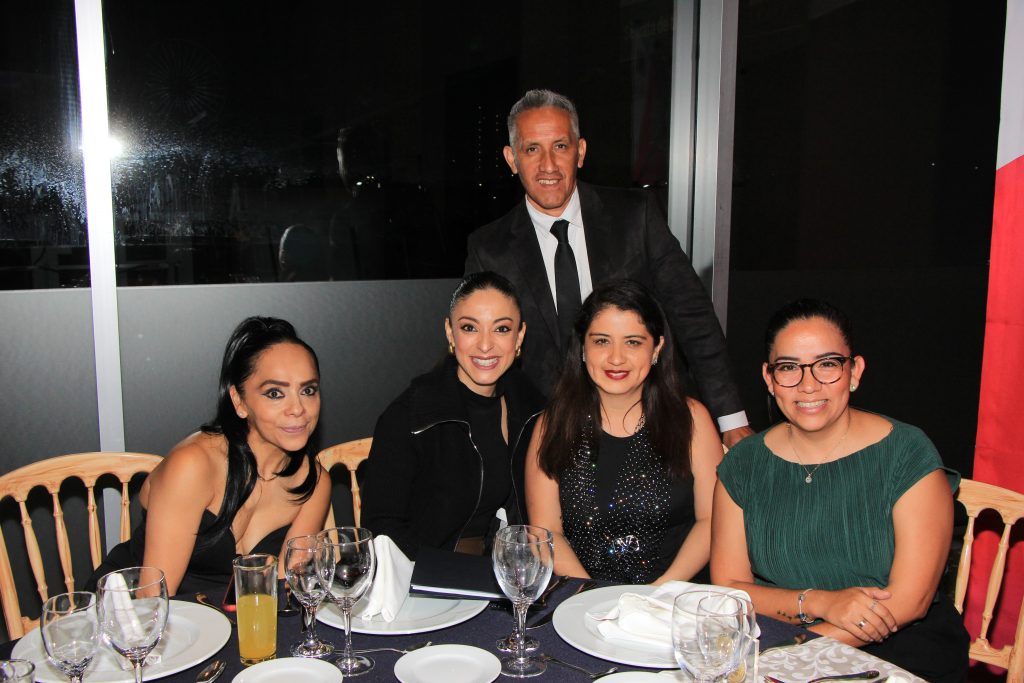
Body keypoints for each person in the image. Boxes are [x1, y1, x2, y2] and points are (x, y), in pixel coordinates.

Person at [465, 88, 752, 448]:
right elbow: (480, 351)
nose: (548, 165)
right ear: (512, 159)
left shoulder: (636, 217)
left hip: (648, 425)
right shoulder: (488, 248)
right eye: (532, 149)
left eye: (561, 146)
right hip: (545, 439)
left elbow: (692, 314)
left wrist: (731, 418)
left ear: (580, 152)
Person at [711, 299, 968, 682]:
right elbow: (730, 588)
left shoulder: (906, 453)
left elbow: (910, 601)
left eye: (827, 364)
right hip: (778, 638)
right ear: (769, 379)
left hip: (898, 648)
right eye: (789, 368)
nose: (808, 384)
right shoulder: (743, 464)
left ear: (854, 371)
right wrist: (818, 603)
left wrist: (799, 654)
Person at [89, 317, 331, 596]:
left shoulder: (313, 482)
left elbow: (284, 591)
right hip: (131, 617)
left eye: (308, 390)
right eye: (275, 393)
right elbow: (151, 598)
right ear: (239, 402)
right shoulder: (193, 466)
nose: (298, 408)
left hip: (231, 623)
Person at [525, 280, 723, 584]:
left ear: (656, 348)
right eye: (602, 341)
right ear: (582, 347)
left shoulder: (691, 419)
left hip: (672, 601)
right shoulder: (553, 424)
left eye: (633, 342)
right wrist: (592, 598)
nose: (616, 358)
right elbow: (546, 533)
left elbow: (711, 521)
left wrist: (657, 594)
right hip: (580, 602)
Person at [360, 271, 546, 559]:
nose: (485, 345)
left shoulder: (533, 408)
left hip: (508, 573)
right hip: (426, 581)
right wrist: (443, 573)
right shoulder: (411, 416)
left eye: (501, 329)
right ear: (450, 332)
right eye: (470, 328)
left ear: (520, 335)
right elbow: (382, 528)